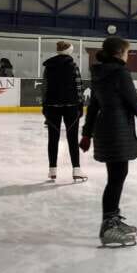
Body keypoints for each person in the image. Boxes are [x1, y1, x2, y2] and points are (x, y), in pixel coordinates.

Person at [80, 37, 137, 247]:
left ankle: (112, 218)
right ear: (119, 52)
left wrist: (87, 134)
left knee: (116, 176)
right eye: (127, 53)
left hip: (105, 129)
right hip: (117, 128)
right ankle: (108, 227)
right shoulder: (120, 73)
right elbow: (133, 101)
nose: (127, 57)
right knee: (117, 177)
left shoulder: (100, 73)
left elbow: (93, 107)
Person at [43, 41, 86, 182]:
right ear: (69, 51)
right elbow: (79, 86)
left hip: (52, 106)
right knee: (72, 138)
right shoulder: (73, 66)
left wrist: (45, 106)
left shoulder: (48, 67)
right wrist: (81, 105)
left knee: (52, 138)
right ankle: (76, 170)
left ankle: (52, 171)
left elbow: (45, 87)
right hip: (71, 106)